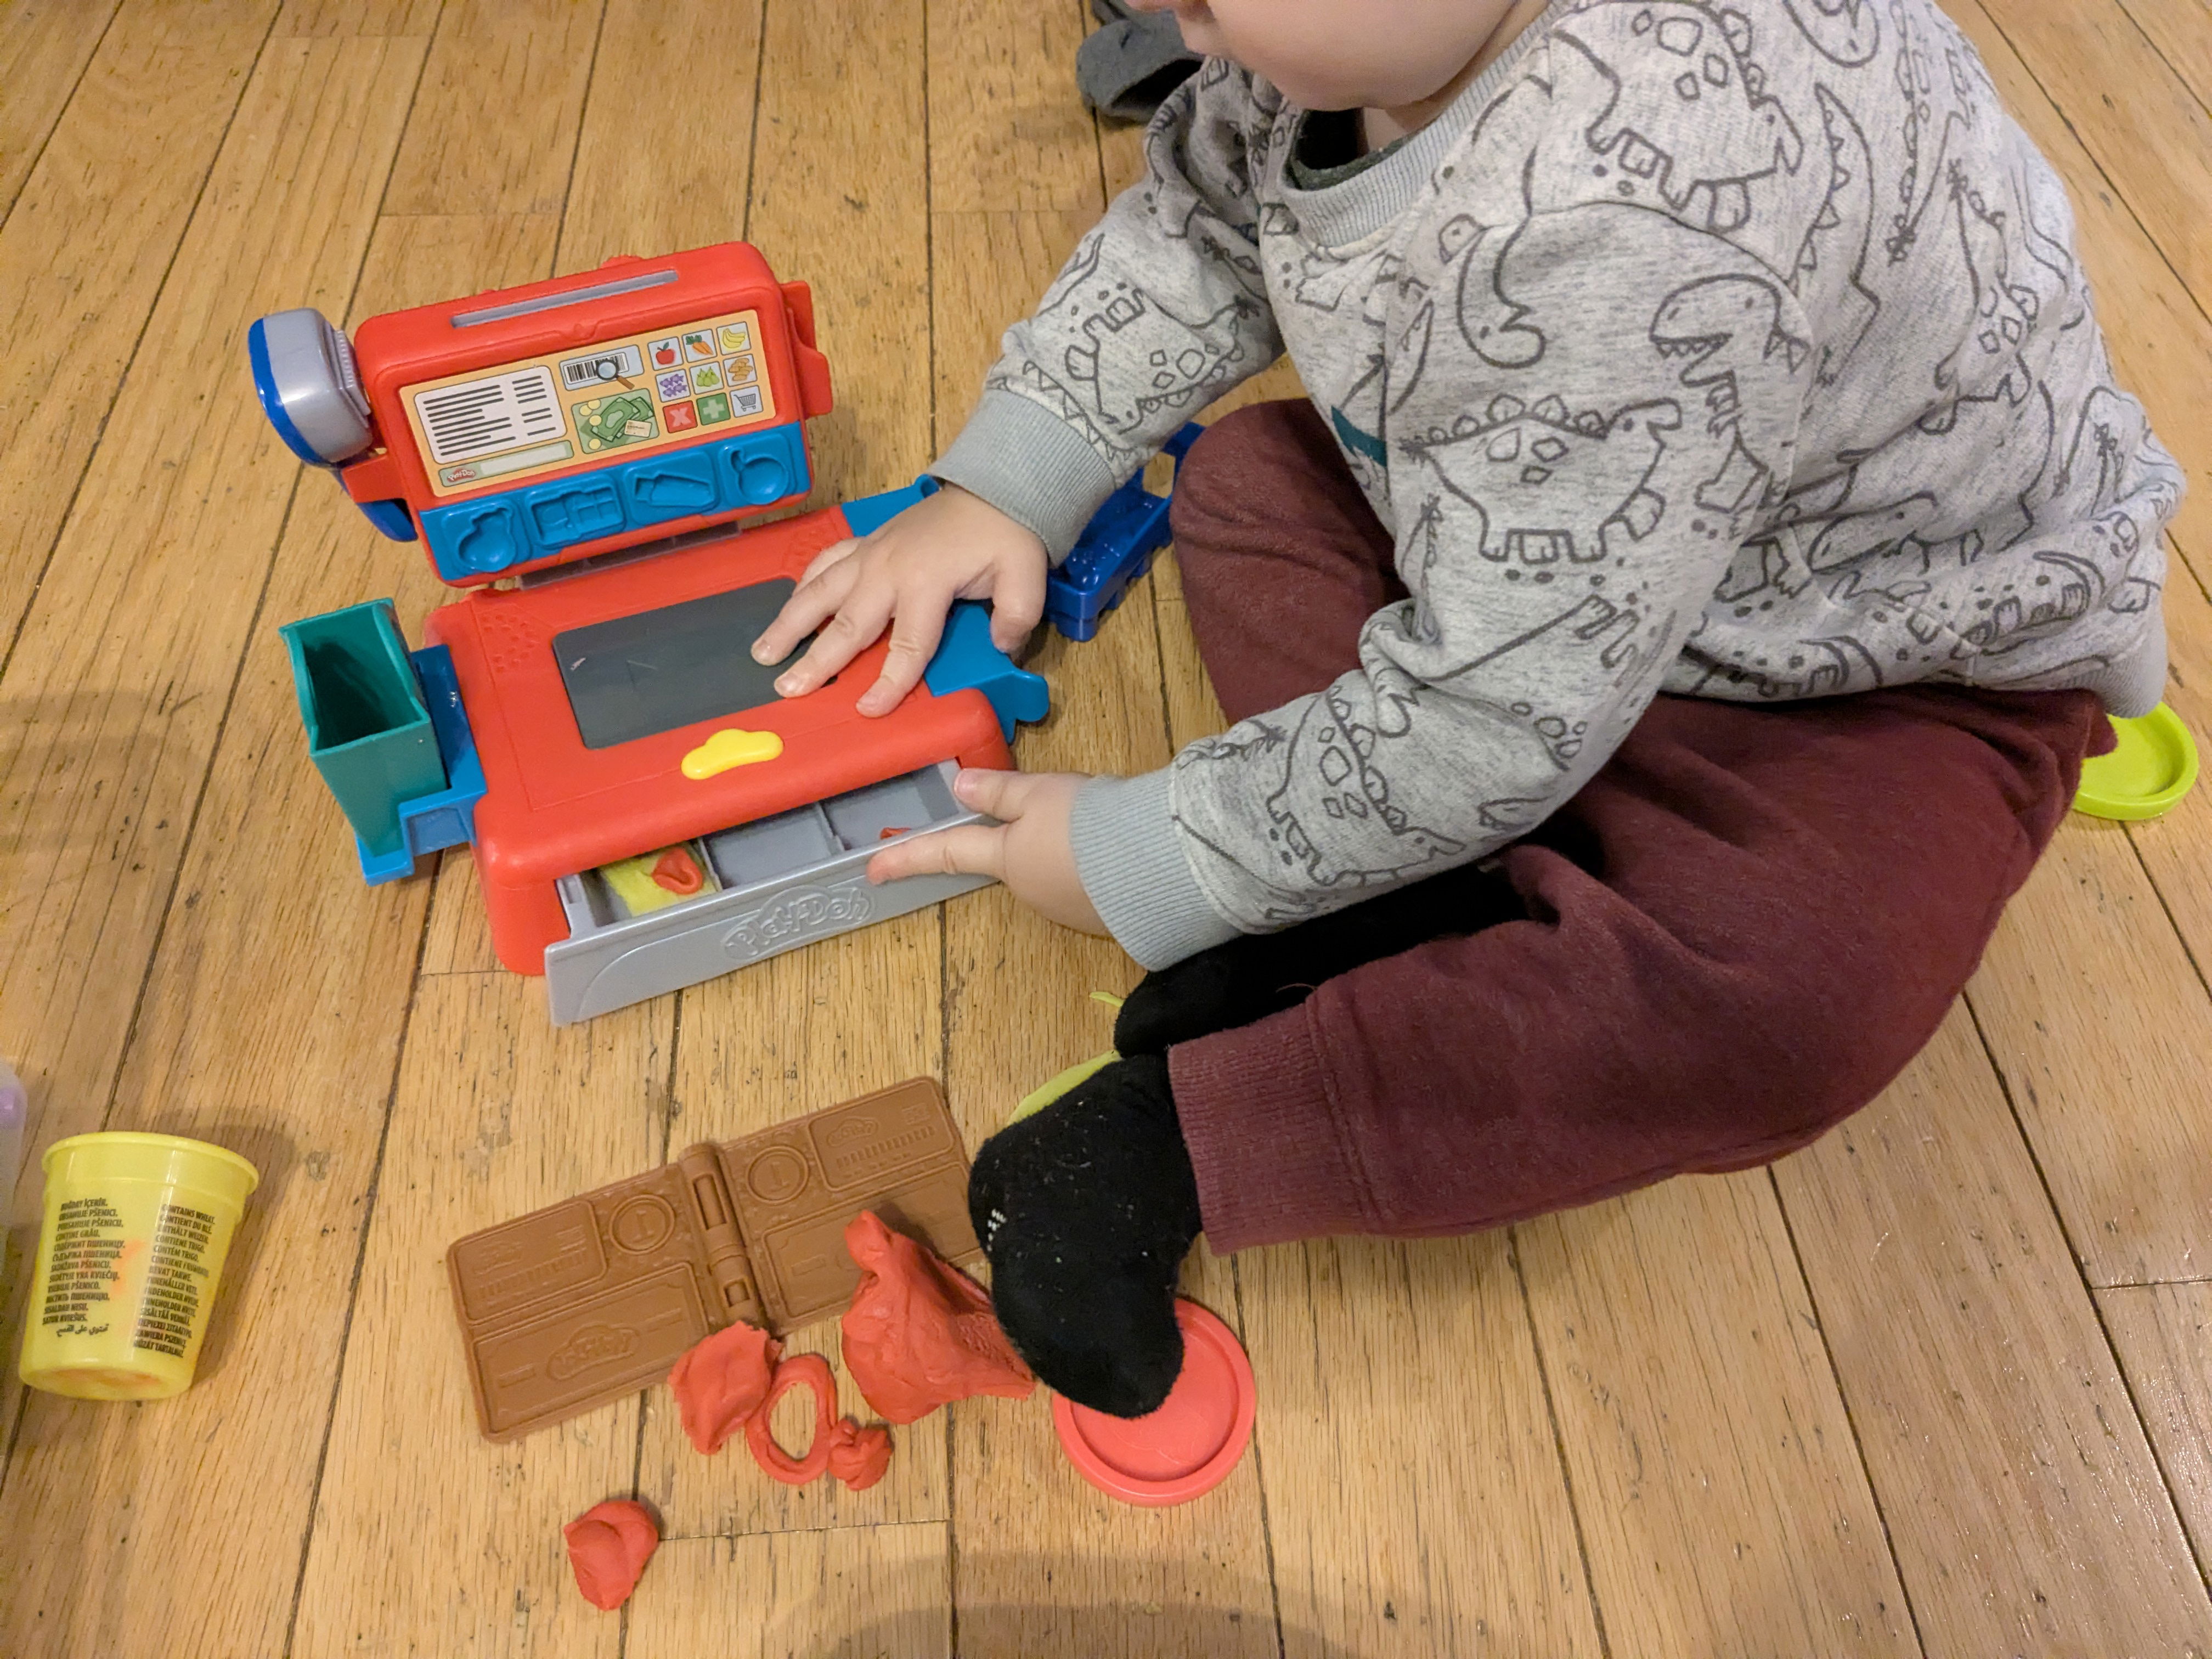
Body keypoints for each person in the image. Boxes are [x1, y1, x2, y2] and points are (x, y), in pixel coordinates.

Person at [751, 0, 2181, 1416]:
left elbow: (1494, 720)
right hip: (1565, 588)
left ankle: (1194, 1129)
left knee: (1801, 999)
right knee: (1247, 490)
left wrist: (1153, 854)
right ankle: (1434, 900)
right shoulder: (1351, 46)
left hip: (1877, 676)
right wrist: (1009, 480)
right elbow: (1204, 217)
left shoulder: (1623, 207)